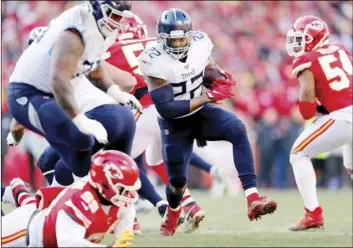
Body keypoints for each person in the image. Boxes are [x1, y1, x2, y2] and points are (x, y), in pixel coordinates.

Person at [137, 8, 277, 236]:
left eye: (183, 38)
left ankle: (252, 197)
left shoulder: (201, 43)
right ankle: (173, 210)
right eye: (173, 40)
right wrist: (208, 96)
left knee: (237, 128)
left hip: (200, 112)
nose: (179, 43)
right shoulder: (152, 59)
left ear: (190, 35)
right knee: (177, 182)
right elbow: (167, 108)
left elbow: (208, 67)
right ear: (161, 40)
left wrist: (219, 77)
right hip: (174, 124)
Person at [6, 1, 142, 186]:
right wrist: (81, 119)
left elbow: (93, 67)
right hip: (36, 93)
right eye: (115, 15)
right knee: (82, 147)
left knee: (68, 156)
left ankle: (76, 194)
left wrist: (113, 91)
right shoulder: (73, 34)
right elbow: (58, 81)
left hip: (76, 105)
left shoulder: (91, 32)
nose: (118, 22)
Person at [286, 15, 352, 231]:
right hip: (346, 110)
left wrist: (311, 109)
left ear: (313, 39)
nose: (296, 43)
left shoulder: (307, 60)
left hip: (345, 116)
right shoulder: (341, 49)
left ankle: (313, 214)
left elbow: (306, 106)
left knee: (298, 154)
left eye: (301, 38)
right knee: (351, 166)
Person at [2, 150, 140, 247]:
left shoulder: (121, 202)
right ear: (104, 185)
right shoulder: (79, 201)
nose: (129, 195)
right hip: (27, 230)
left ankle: (16, 191)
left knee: (29, 206)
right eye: (123, 189)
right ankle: (15, 190)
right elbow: (68, 243)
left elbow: (122, 240)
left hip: (45, 213)